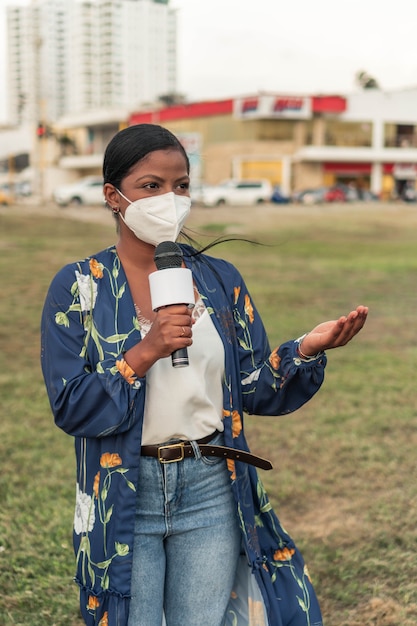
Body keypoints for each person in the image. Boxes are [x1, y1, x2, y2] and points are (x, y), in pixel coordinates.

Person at [40, 123, 368, 626]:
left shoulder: (219, 280)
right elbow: (72, 405)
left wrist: (304, 349)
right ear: (113, 196)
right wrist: (146, 351)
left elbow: (254, 388)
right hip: (126, 493)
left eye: (181, 185)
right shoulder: (80, 287)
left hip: (211, 485)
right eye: (151, 186)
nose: (170, 199)